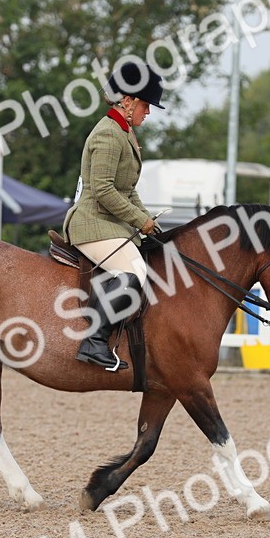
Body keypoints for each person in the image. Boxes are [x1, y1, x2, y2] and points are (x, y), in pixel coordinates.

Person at [61, 61, 166, 371]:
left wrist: (149, 222)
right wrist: (139, 221)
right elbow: (105, 191)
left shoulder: (125, 133)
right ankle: (94, 342)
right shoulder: (108, 134)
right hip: (91, 223)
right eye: (146, 105)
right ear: (128, 100)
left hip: (110, 223)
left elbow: (127, 190)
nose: (148, 112)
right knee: (135, 273)